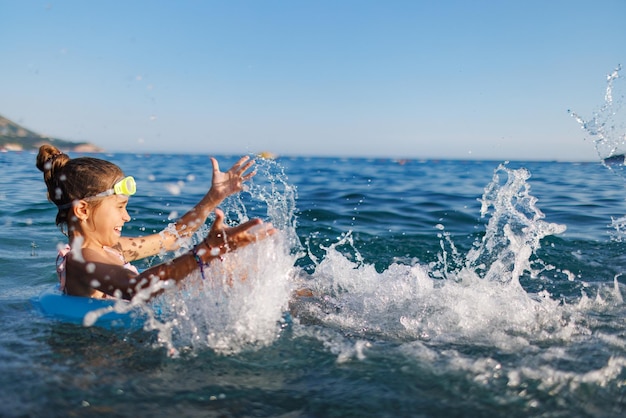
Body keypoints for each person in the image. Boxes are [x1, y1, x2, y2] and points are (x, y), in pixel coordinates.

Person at [36, 144, 275, 301]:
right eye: (120, 207)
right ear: (83, 210)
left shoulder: (114, 248)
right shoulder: (80, 260)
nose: (126, 216)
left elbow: (172, 238)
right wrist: (203, 252)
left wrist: (213, 197)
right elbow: (135, 288)